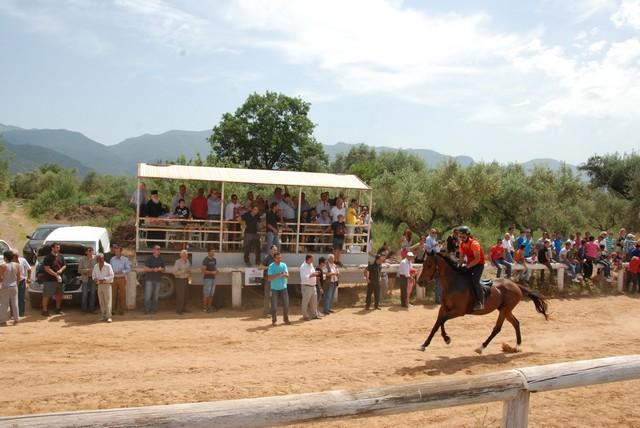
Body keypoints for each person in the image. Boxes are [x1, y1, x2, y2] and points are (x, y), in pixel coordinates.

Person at [458, 226, 485, 311]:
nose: (462, 238)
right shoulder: (461, 244)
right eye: (460, 237)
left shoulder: (474, 244)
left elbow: (477, 259)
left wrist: (467, 266)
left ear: (468, 235)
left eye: (463, 236)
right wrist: (459, 265)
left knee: (475, 281)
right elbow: (461, 257)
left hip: (478, 264)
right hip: (470, 264)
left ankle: (480, 302)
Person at [41, 242, 66, 317]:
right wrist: (56, 275)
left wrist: (61, 270)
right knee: (47, 295)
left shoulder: (61, 256)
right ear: (52, 248)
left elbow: (64, 265)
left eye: (59, 247)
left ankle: (58, 309)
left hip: (59, 280)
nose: (58, 248)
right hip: (49, 280)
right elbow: (47, 269)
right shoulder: (48, 257)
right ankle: (44, 310)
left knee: (59, 294)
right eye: (56, 247)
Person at [267, 252, 290, 326]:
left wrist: (284, 274)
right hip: (274, 288)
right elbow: (269, 278)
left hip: (283, 287)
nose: (280, 259)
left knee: (286, 304)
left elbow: (287, 275)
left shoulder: (284, 265)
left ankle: (286, 319)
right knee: (274, 305)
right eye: (278, 258)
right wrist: (278, 274)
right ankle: (274, 321)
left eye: (280, 257)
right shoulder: (271, 266)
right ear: (274, 258)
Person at [0, 250, 21, 326]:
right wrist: (16, 284)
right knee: (15, 304)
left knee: (4, 304)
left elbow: (1, 278)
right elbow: (19, 277)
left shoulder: (3, 266)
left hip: (5, 287)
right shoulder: (17, 265)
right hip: (14, 286)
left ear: (5, 258)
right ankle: (16, 320)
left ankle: (3, 321)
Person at [92, 253, 114, 323]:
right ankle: (103, 316)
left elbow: (112, 275)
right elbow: (93, 275)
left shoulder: (108, 266)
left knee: (108, 301)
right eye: (98, 259)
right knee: (101, 301)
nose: (99, 260)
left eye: (101, 258)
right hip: (99, 285)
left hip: (107, 284)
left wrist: (104, 279)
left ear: (103, 258)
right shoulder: (96, 266)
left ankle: (109, 317)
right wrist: (95, 279)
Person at [143, 245, 165, 314]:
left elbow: (164, 269)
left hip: (158, 280)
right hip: (149, 279)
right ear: (153, 250)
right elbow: (145, 269)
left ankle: (154, 310)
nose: (158, 250)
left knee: (156, 296)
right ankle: (147, 310)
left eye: (159, 249)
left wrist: (161, 269)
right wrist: (153, 269)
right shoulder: (149, 258)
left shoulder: (161, 259)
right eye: (157, 249)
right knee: (148, 296)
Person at [110, 245, 131, 315]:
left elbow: (128, 269)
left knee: (122, 295)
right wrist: (113, 271)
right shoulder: (112, 259)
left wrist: (122, 271)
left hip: (122, 278)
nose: (117, 253)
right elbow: (110, 269)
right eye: (115, 252)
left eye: (118, 251)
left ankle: (121, 310)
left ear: (121, 252)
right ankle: (113, 310)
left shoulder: (125, 259)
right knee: (113, 294)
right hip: (114, 278)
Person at [300, 254, 322, 321]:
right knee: (305, 302)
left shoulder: (311, 265)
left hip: (312, 286)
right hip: (306, 286)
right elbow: (304, 278)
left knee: (314, 302)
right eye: (312, 259)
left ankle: (314, 314)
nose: (313, 260)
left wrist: (315, 273)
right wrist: (312, 275)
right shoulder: (303, 267)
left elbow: (312, 274)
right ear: (308, 259)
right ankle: (305, 316)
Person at [261, 245, 278, 316]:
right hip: (268, 279)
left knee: (274, 296)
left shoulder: (277, 258)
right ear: (271, 250)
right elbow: (261, 267)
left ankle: (272, 311)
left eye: (276, 250)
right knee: (267, 295)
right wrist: (269, 267)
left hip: (275, 279)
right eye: (274, 250)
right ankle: (266, 311)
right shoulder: (267, 258)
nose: (275, 251)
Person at [79, 247, 97, 314]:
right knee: (85, 294)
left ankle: (92, 309)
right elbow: (79, 270)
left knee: (93, 294)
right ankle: (84, 309)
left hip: (93, 278)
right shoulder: (82, 259)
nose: (91, 252)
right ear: (86, 252)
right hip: (85, 278)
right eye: (89, 251)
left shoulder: (96, 258)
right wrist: (88, 270)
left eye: (92, 250)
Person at [13, 251, 31, 317]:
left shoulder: (23, 260)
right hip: (13, 282)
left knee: (21, 297)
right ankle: (14, 313)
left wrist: (29, 278)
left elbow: (29, 269)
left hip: (21, 281)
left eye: (17, 256)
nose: (17, 258)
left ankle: (21, 312)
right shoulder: (9, 262)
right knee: (13, 298)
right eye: (15, 257)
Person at [173, 249, 191, 315]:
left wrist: (188, 274)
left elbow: (188, 270)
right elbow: (174, 272)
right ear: (180, 255)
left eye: (186, 254)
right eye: (183, 254)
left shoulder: (188, 261)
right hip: (179, 280)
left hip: (186, 279)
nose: (185, 255)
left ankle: (184, 308)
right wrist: (183, 271)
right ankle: (179, 310)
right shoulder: (177, 262)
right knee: (180, 295)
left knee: (186, 295)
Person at [201, 248, 218, 313]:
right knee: (206, 294)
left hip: (213, 278)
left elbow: (215, 267)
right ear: (208, 252)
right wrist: (212, 273)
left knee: (211, 294)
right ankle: (205, 308)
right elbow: (203, 271)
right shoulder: (206, 260)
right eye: (212, 252)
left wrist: (217, 271)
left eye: (214, 252)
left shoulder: (214, 259)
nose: (214, 253)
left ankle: (209, 307)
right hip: (207, 278)